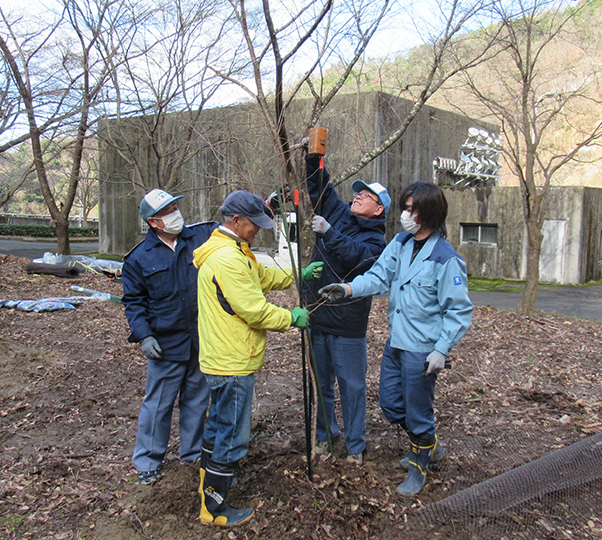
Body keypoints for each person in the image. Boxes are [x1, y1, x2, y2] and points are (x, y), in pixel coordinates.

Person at [319, 181, 473, 497]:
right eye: (404, 207)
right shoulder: (400, 244)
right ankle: (429, 445)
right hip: (397, 344)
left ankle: (419, 465)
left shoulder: (445, 258)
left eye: (410, 209)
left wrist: (441, 350)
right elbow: (378, 277)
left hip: (423, 350)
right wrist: (348, 289)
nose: (404, 214)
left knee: (418, 410)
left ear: (428, 213)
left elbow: (458, 310)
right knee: (390, 404)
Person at [193, 190, 322, 527]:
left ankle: (208, 486)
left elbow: (262, 278)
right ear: (236, 220)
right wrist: (291, 318)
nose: (258, 231)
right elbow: (254, 310)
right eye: (254, 225)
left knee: (219, 424)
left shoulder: (234, 249)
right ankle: (215, 508)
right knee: (233, 434)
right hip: (231, 360)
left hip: (224, 356)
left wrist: (299, 274)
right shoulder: (228, 259)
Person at [122, 188, 218, 485]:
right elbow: (134, 301)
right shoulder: (139, 259)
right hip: (166, 343)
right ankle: (148, 460)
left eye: (175, 206)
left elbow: (234, 226)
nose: (175, 213)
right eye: (167, 211)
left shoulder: (201, 237)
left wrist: (265, 206)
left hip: (201, 339)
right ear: (153, 222)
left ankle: (191, 454)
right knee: (158, 405)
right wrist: (143, 336)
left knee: (196, 401)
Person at [302, 150, 389, 465]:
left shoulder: (377, 240)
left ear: (378, 210)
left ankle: (355, 447)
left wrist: (328, 232)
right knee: (320, 383)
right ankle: (326, 436)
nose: (358, 197)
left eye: (366, 196)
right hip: (317, 313)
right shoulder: (337, 211)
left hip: (348, 324)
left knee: (351, 386)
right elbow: (319, 186)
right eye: (358, 193)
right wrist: (313, 159)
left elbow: (358, 257)